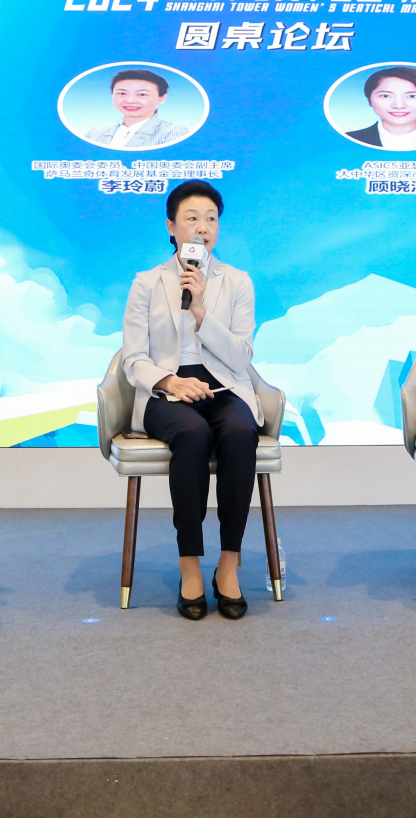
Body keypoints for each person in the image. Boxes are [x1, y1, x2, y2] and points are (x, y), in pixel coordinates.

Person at [121, 180, 261, 620]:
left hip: (223, 386)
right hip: (165, 390)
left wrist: (200, 309)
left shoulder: (237, 282)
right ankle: (190, 565)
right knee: (192, 432)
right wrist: (169, 381)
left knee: (239, 432)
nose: (202, 227)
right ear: (171, 227)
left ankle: (229, 564)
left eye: (211, 219)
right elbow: (132, 359)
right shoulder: (147, 283)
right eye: (192, 218)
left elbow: (240, 356)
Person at [345, 66, 416, 149]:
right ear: (369, 100)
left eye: (412, 96)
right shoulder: (348, 140)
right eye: (385, 96)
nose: (398, 106)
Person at [82, 69, 191, 149]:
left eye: (142, 94)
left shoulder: (173, 132)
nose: (130, 100)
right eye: (122, 93)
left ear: (161, 98)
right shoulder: (95, 133)